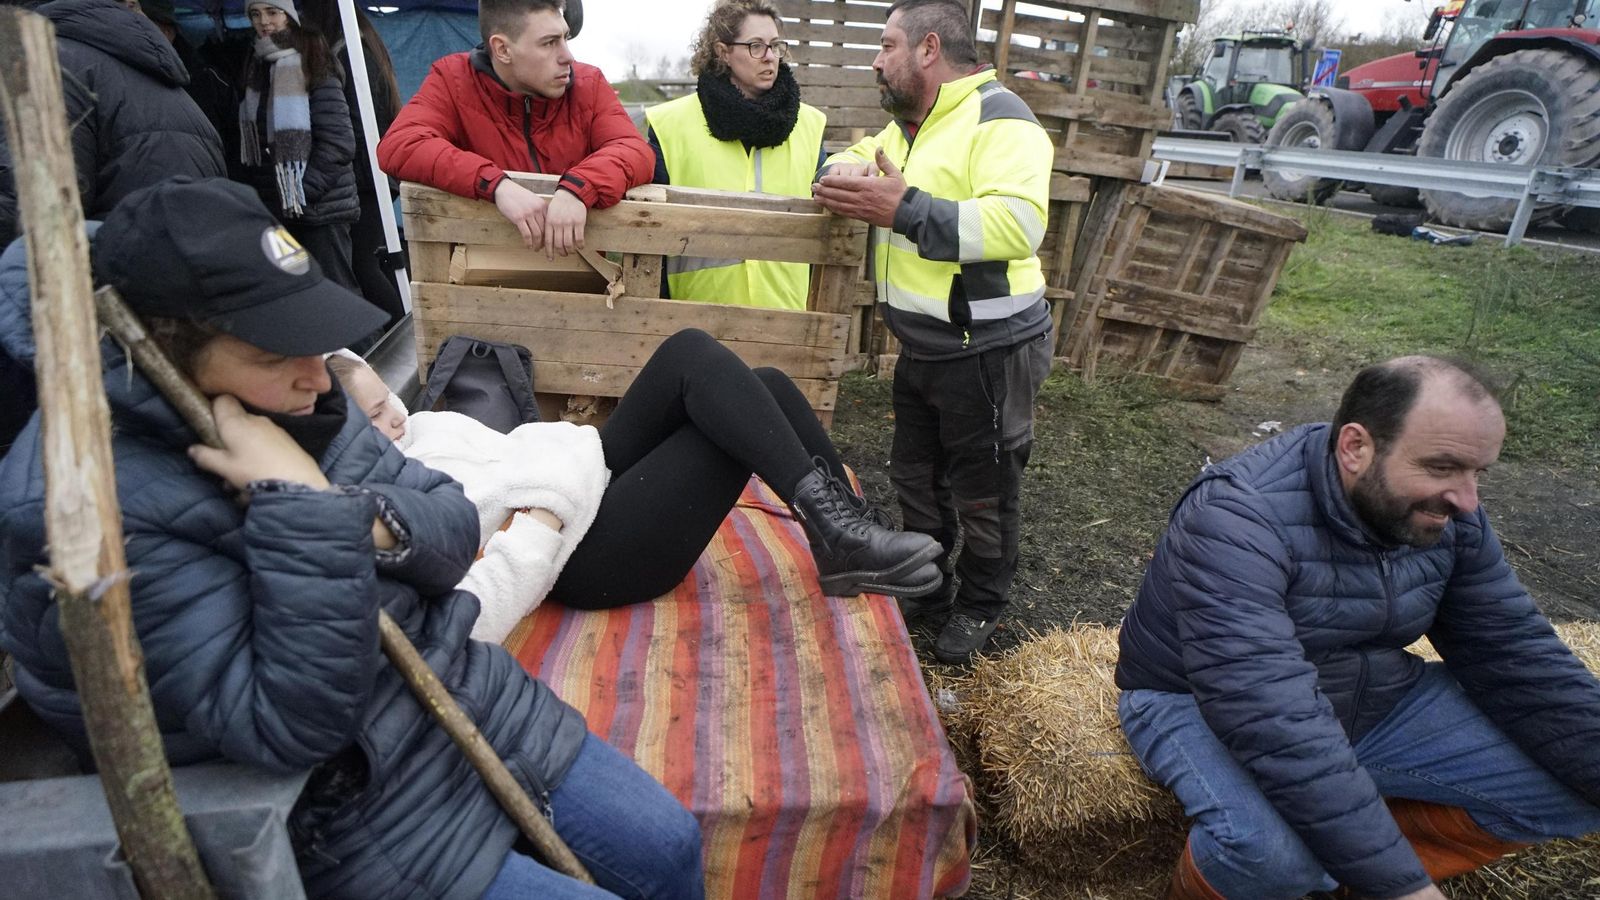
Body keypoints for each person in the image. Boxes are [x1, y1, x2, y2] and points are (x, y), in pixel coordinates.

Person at [0, 178, 704, 900]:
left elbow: (451, 525)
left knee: (671, 848)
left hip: (465, 701)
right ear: (161, 354)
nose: (318, 376)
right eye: (274, 358)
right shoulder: (83, 506)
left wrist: (343, 510)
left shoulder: (301, 405)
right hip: (347, 813)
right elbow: (289, 724)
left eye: (310, 338)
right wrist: (297, 509)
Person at [1115, 357, 1600, 900]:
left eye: (1477, 472)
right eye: (1442, 468)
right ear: (1355, 447)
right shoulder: (1237, 514)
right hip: (1199, 698)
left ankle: (1352, 875)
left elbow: (1516, 652)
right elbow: (1268, 709)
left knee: (1572, 789)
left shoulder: (1451, 515)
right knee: (1272, 858)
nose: (1468, 500)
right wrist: (1405, 890)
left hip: (1370, 692)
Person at [330, 325, 944, 631]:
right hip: (581, 554)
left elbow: (515, 454)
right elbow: (469, 589)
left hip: (583, 477)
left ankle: (843, 528)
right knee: (726, 430)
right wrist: (545, 513)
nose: (393, 420)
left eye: (389, 402)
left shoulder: (421, 431)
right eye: (373, 418)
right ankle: (838, 533)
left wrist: (570, 459)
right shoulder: (377, 495)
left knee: (748, 376)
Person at [810, 0, 1055, 664]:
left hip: (990, 349)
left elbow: (1018, 225)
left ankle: (980, 605)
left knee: (984, 487)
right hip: (923, 347)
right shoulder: (906, 130)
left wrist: (907, 209)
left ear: (926, 49)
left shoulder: (1003, 119)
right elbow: (840, 165)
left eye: (886, 44)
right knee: (916, 477)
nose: (875, 58)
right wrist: (836, 174)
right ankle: (929, 584)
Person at [0, 0, 225, 454]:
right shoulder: (144, 72)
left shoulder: (51, 65)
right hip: (172, 315)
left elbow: (27, 216)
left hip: (99, 323)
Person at [376, 0, 654, 259]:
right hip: (480, 283)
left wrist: (580, 188)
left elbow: (633, 150)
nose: (567, 56)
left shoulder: (589, 83)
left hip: (582, 278)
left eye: (565, 38)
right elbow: (401, 144)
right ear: (502, 49)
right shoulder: (452, 80)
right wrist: (496, 185)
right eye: (549, 43)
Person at [643, 0, 826, 309]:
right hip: (696, 319)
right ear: (723, 52)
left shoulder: (810, 125)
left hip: (786, 321)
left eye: (775, 46)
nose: (769, 57)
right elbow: (650, 234)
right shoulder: (669, 124)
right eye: (755, 46)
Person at [236, 0, 363, 295]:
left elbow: (339, 142)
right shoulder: (257, 66)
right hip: (282, 209)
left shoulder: (313, 60)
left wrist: (302, 192)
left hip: (321, 208)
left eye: (272, 12)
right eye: (255, 14)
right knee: (304, 300)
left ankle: (368, 344)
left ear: (289, 16)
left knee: (339, 297)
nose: (263, 21)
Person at [300, 0, 407, 328]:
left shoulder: (347, 51)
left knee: (364, 266)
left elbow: (360, 123)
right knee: (370, 264)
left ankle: (406, 340)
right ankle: (404, 337)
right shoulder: (367, 44)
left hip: (367, 176)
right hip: (377, 173)